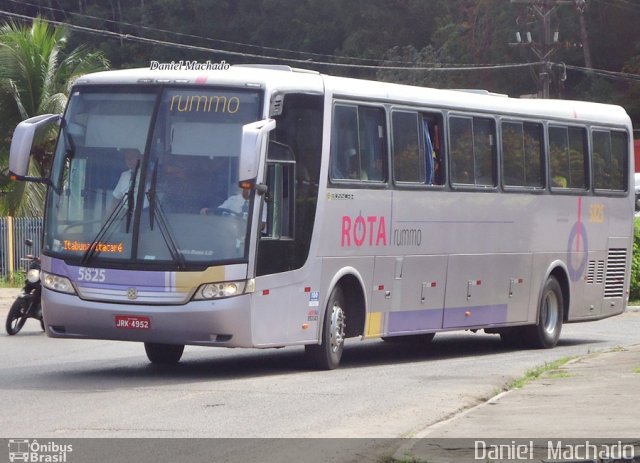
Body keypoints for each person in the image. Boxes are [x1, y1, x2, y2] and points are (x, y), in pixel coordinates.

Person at [108, 148, 147, 215]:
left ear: (140, 158)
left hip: (143, 215)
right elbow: (116, 198)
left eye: (132, 157)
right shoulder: (124, 175)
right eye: (127, 158)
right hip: (127, 215)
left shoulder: (147, 175)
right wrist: (108, 217)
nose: (129, 160)